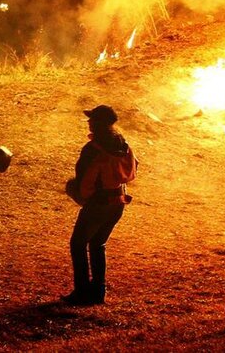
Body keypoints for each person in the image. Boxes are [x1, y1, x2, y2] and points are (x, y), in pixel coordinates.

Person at [62, 105, 137, 306]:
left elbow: (83, 179)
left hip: (98, 204)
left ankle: (82, 292)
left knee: (78, 244)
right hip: (118, 201)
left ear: (98, 123)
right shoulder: (124, 144)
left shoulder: (92, 150)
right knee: (97, 244)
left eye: (92, 119)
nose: (89, 122)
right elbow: (132, 170)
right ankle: (98, 292)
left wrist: (80, 194)